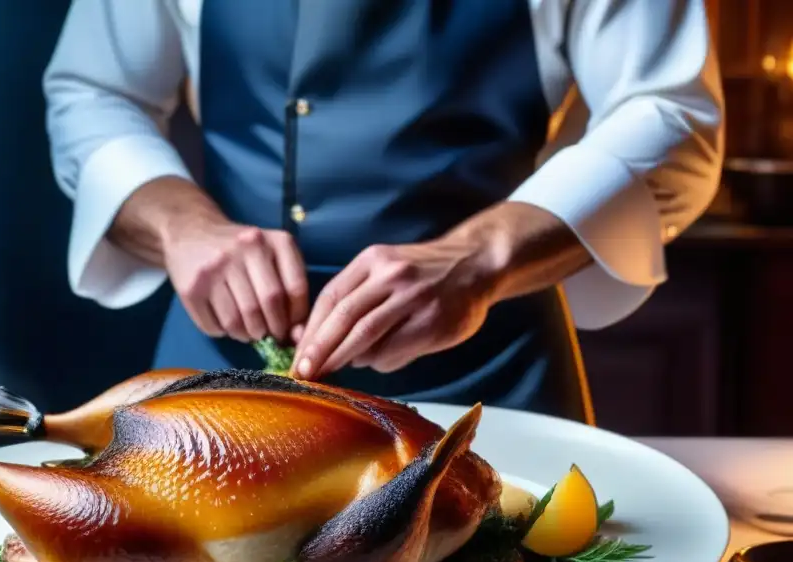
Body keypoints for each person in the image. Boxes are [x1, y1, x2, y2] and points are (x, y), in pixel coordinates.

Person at [41, 0, 723, 424]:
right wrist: (181, 227)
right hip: (220, 370)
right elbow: (93, 93)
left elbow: (674, 115)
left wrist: (479, 259)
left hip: (491, 384)